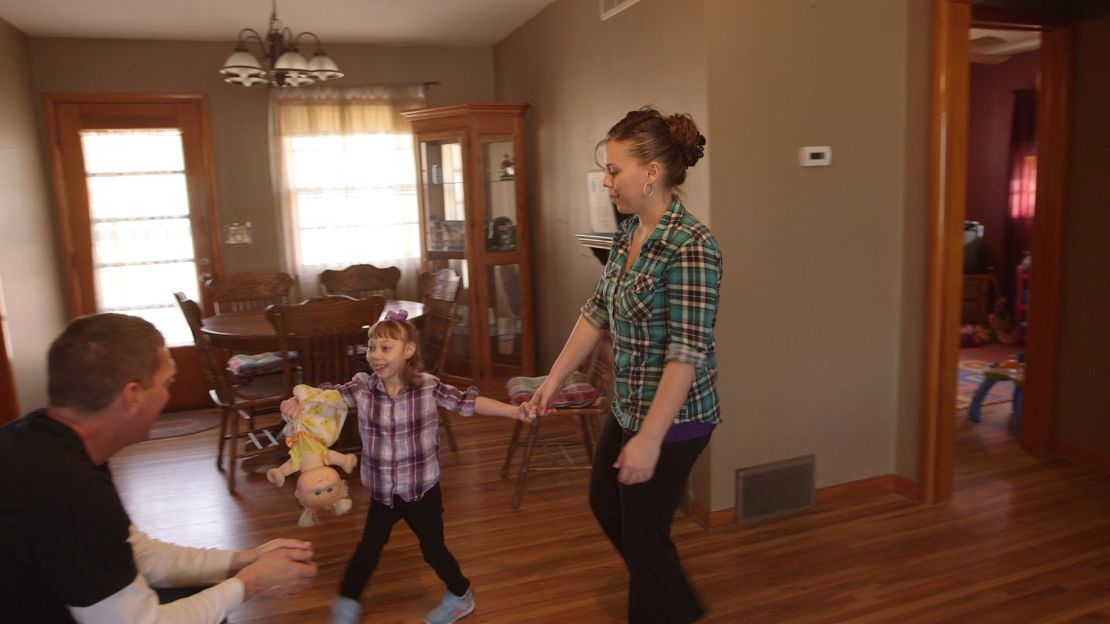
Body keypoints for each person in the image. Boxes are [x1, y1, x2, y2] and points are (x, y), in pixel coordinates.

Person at [528, 107, 721, 623]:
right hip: (631, 403)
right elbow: (595, 314)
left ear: (652, 171)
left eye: (615, 170)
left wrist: (650, 439)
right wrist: (554, 379)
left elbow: (686, 352)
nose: (607, 181)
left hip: (677, 419)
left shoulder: (692, 246)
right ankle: (680, 603)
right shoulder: (625, 235)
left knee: (643, 532)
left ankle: (666, 607)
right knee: (606, 505)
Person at [0, 313, 318, 623]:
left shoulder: (40, 439)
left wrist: (244, 560)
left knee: (203, 592)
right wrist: (252, 583)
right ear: (133, 396)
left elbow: (136, 553)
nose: (168, 394)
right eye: (167, 383)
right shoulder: (70, 491)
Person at [320, 312, 536, 624]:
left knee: (433, 550)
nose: (375, 355)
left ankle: (461, 595)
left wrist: (516, 412)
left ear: (407, 351)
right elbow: (327, 398)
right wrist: (299, 402)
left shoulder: (427, 387)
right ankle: (348, 601)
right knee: (368, 549)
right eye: (371, 347)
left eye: (385, 348)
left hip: (421, 491)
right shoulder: (363, 388)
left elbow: (468, 403)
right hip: (383, 492)